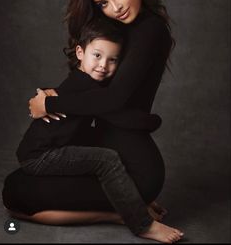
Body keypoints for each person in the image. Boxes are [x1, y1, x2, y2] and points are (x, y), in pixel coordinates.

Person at [2, 0, 184, 243]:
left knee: (16, 193)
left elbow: (112, 99)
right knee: (15, 188)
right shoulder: (121, 31)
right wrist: (54, 94)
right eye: (103, 3)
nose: (115, 8)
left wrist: (48, 104)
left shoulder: (149, 30)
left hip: (134, 168)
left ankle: (133, 213)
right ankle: (120, 211)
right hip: (110, 154)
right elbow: (95, 92)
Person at [16, 18, 164, 235]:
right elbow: (121, 116)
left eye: (112, 60)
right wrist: (153, 121)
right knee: (106, 159)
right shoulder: (87, 87)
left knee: (99, 148)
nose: (103, 65)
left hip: (48, 149)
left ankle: (130, 203)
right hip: (40, 155)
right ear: (79, 53)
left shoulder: (84, 81)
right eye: (97, 55)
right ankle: (141, 223)